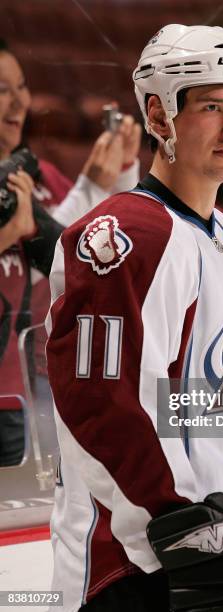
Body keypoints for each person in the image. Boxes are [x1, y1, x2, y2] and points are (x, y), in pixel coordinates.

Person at [45, 24, 223, 612]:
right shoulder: (130, 236)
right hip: (146, 566)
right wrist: (189, 530)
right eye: (213, 107)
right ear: (158, 115)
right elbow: (103, 404)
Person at [0, 41, 141, 466]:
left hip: (45, 385)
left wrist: (122, 173)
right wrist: (91, 186)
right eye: (2, 89)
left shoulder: (42, 175)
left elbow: (101, 256)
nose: (21, 100)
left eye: (22, 86)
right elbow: (56, 254)